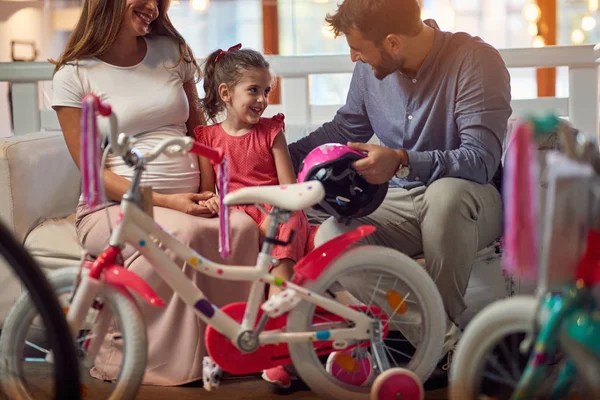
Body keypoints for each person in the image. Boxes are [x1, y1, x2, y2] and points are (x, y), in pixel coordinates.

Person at [288, 0, 511, 389]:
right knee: (329, 237)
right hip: (400, 199)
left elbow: (480, 160)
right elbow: (344, 127)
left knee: (445, 198)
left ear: (392, 42)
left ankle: (417, 347)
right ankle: (443, 345)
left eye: (358, 46)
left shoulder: (476, 61)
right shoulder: (369, 70)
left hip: (471, 199)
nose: (354, 55)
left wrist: (403, 160)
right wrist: (274, 157)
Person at [51, 0, 259, 386]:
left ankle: (230, 351)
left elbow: (199, 132)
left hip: (189, 201)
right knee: (182, 236)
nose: (153, 6)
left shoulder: (172, 52)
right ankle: (162, 364)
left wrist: (206, 190)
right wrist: (168, 201)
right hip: (115, 205)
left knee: (243, 227)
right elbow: (92, 174)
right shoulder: (74, 75)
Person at [195, 45, 310, 388]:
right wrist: (212, 201)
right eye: (254, 90)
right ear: (226, 93)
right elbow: (206, 191)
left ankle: (277, 351)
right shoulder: (208, 139)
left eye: (266, 91)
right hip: (238, 214)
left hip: (276, 211)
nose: (262, 100)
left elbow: (289, 190)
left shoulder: (271, 132)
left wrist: (268, 218)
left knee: (282, 251)